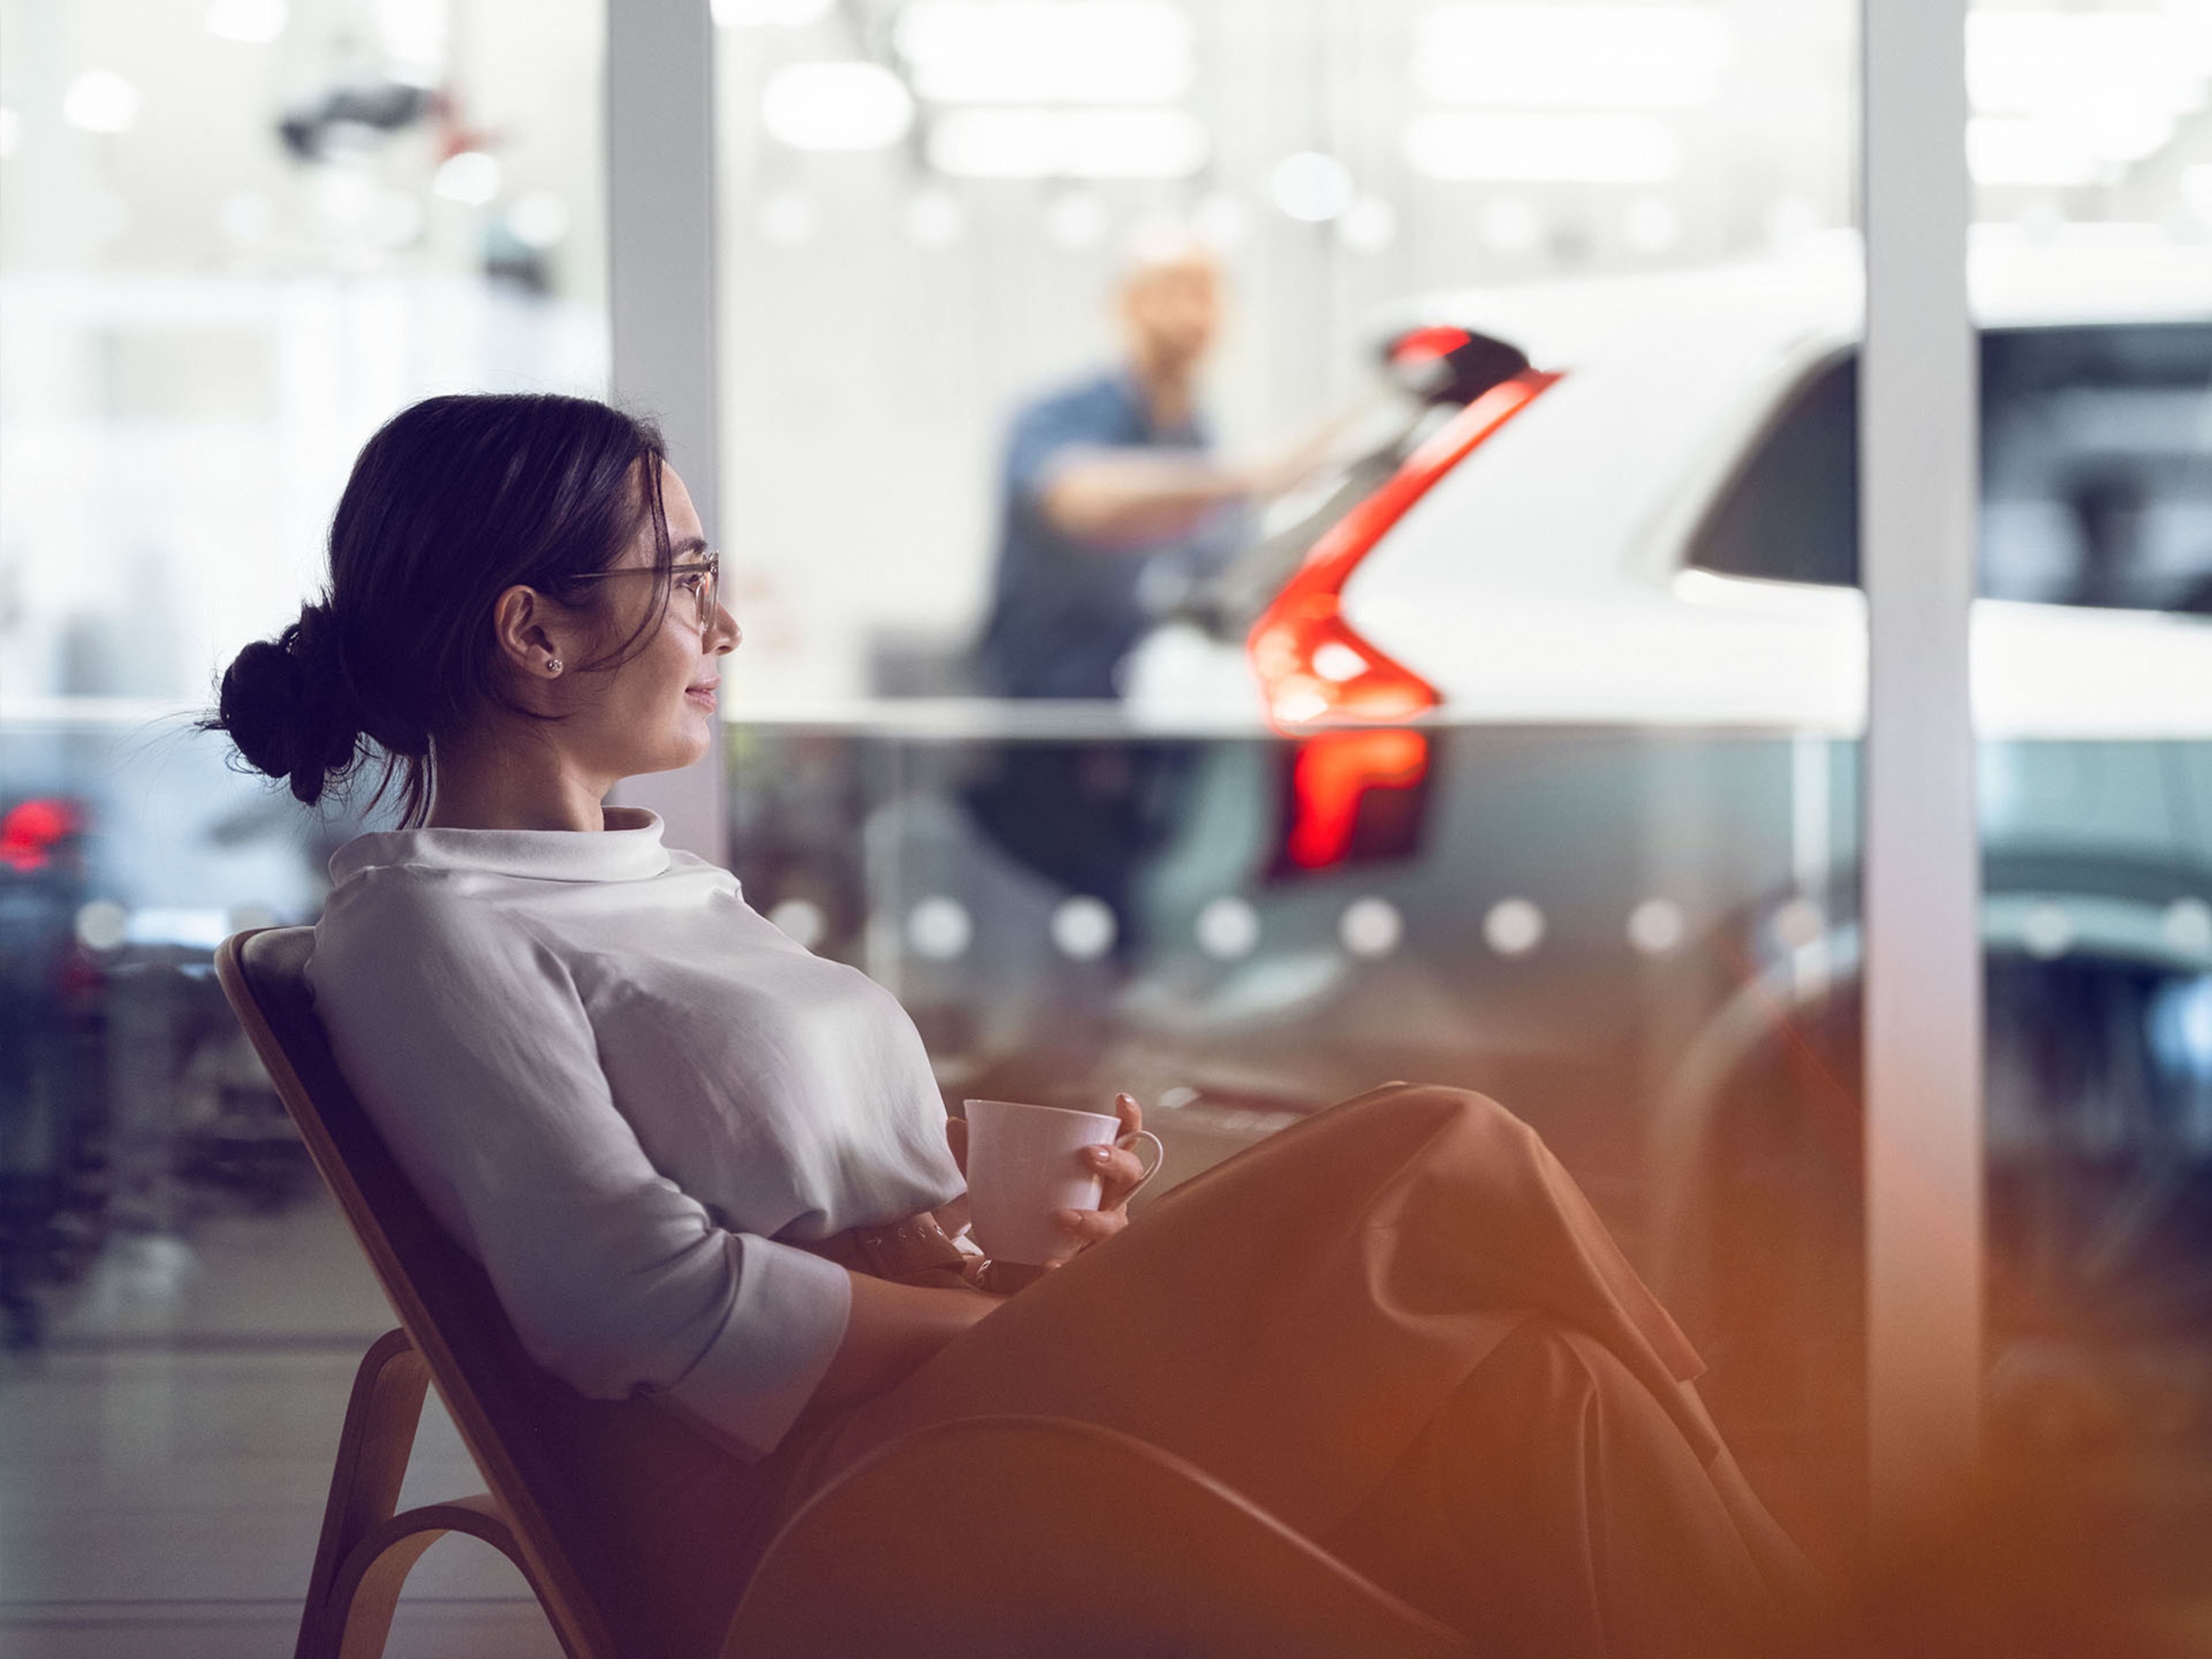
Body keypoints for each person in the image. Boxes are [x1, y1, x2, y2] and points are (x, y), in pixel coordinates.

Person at [210, 393, 1815, 1658]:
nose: (724, 627)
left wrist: (975, 1190)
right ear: (532, 632)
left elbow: (774, 1173)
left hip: (965, 1398)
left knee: (1547, 1391)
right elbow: (619, 1296)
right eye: (683, 578)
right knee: (1437, 1147)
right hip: (872, 1495)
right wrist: (985, 1331)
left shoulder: (662, 888)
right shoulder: (430, 930)